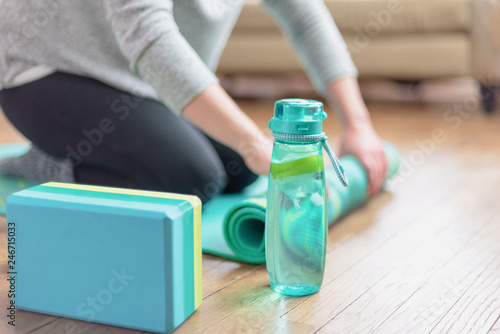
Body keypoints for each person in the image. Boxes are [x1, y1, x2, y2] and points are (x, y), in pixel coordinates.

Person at [0, 0, 387, 203]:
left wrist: (358, 125)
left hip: (137, 78)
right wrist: (253, 142)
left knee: (238, 171)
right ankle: (48, 162)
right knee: (191, 179)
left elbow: (305, 16)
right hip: (44, 67)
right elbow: (149, 36)